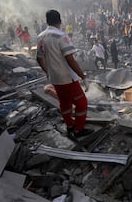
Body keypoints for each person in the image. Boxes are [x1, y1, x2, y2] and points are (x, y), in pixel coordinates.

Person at [36, 9, 92, 139]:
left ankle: (69, 126)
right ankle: (78, 129)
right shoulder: (61, 36)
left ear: (47, 21)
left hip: (55, 79)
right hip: (67, 78)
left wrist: (48, 72)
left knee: (64, 103)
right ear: (60, 21)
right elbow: (70, 59)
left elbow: (39, 58)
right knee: (82, 103)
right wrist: (83, 76)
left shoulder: (40, 37)